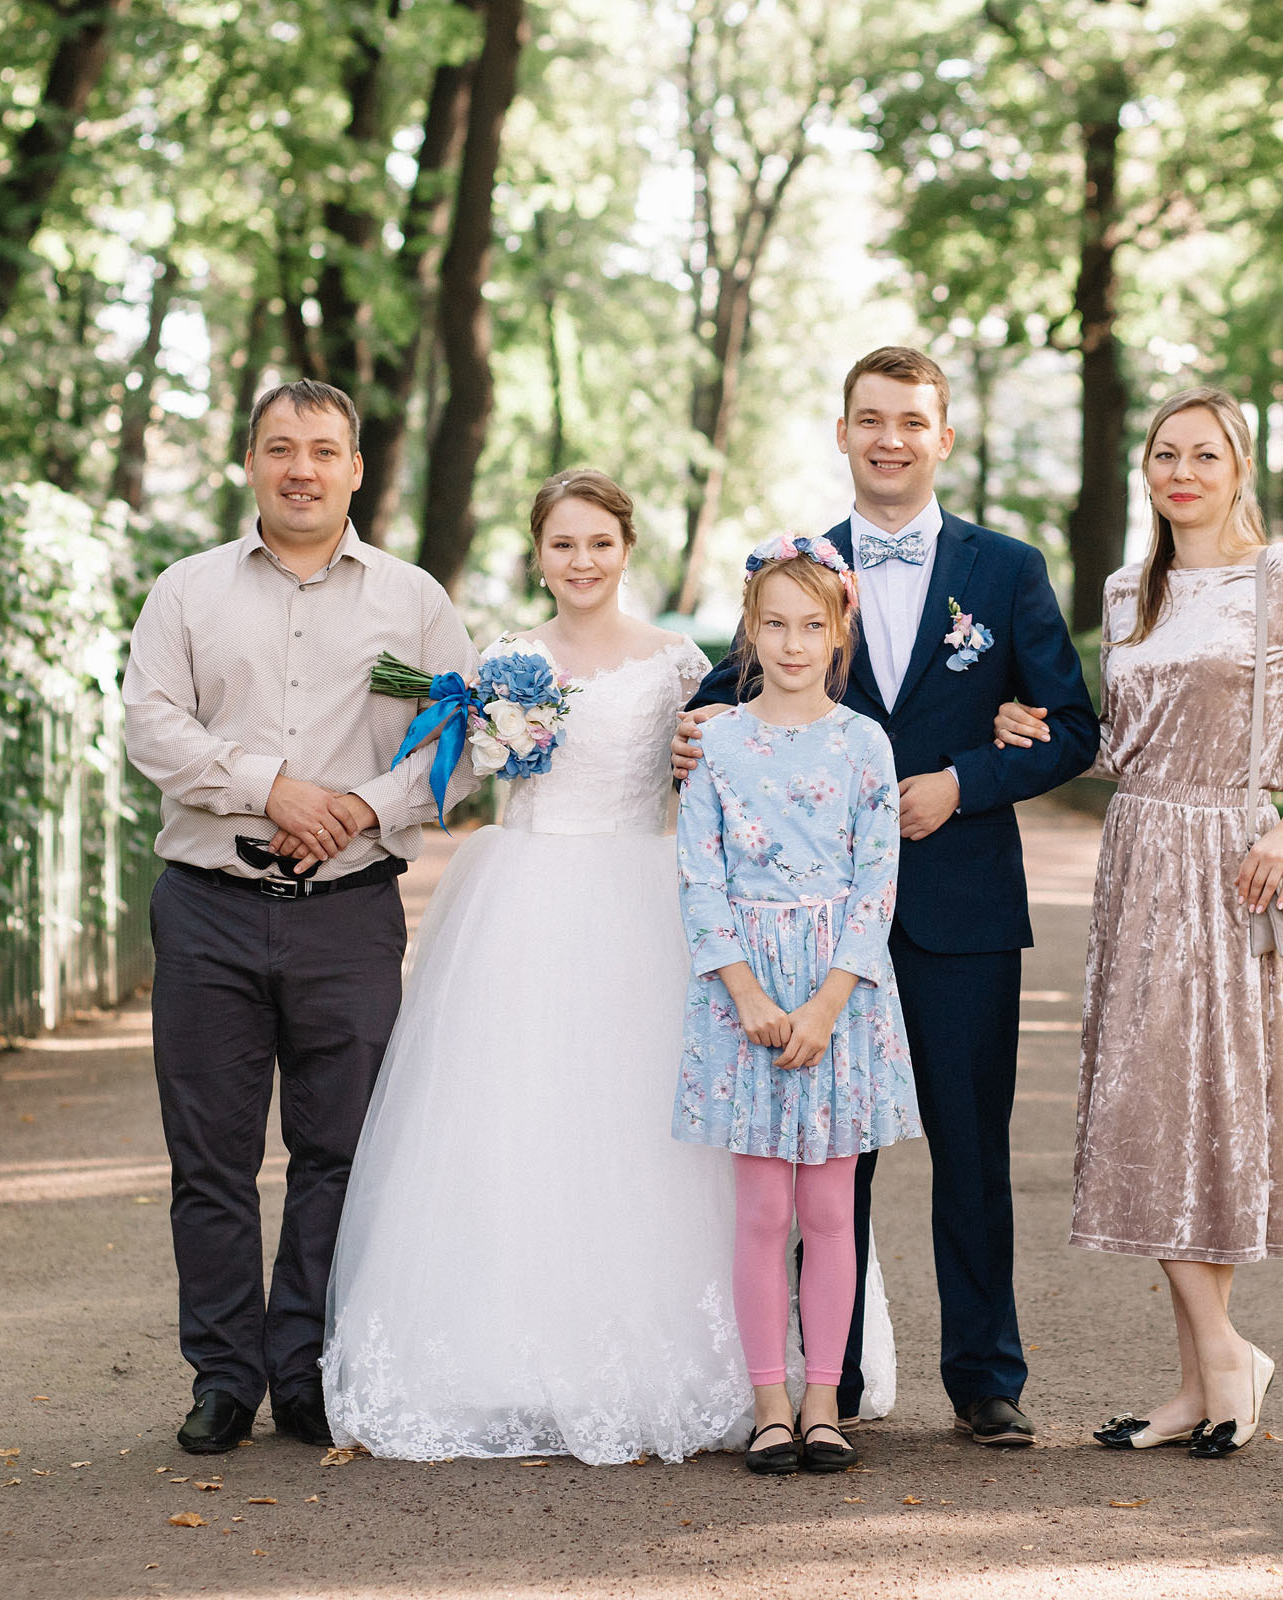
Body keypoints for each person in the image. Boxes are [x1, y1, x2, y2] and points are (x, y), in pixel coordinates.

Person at [323, 471, 895, 1465]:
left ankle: (736, 1372)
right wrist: (471, 756)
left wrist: (708, 743)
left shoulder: (679, 664)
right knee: (518, 1121)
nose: (581, 562)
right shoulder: (503, 659)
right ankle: (507, 1355)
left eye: (598, 543)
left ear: (627, 548)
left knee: (656, 1133)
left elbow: (727, 753)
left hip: (643, 896)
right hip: (524, 896)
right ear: (538, 553)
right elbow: (452, 768)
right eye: (562, 544)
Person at [673, 346, 1099, 1448]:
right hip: (812, 933)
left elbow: (1074, 725)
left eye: (912, 420)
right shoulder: (801, 571)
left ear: (943, 437)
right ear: (845, 431)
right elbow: (742, 686)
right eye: (871, 419)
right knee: (823, 1160)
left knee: (971, 1150)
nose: (891, 438)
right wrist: (692, 729)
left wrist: (968, 781)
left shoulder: (1006, 569)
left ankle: (985, 1375)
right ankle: (835, 1381)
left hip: (956, 906)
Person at [998, 386, 1283, 1458]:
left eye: (1203, 455)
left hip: (1233, 863)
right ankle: (1203, 1378)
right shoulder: (1130, 589)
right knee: (1145, 1109)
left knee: (1204, 1110)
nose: (1180, 471)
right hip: (1138, 857)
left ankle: (1223, 1360)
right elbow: (1122, 747)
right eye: (1164, 454)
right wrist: (1030, 726)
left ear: (1239, 466)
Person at [122, 380, 479, 1455]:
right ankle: (224, 1377)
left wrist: (363, 807)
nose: (302, 469)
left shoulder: (415, 602)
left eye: (324, 450)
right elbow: (152, 727)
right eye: (281, 448)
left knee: (341, 1153)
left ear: (357, 468)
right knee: (212, 1159)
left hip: (349, 916)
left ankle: (309, 1368)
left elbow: (457, 743)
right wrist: (272, 786)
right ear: (250, 462)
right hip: (207, 914)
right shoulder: (184, 593)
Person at [673, 537, 926, 1475]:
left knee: (831, 1211)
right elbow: (699, 876)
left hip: (839, 998)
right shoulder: (717, 739)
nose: (790, 643)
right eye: (773, 625)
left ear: (838, 634)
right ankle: (768, 1399)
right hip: (743, 996)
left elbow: (877, 884)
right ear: (749, 630)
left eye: (810, 626)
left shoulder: (864, 743)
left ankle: (826, 1399)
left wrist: (824, 1003)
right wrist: (745, 992)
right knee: (759, 1210)